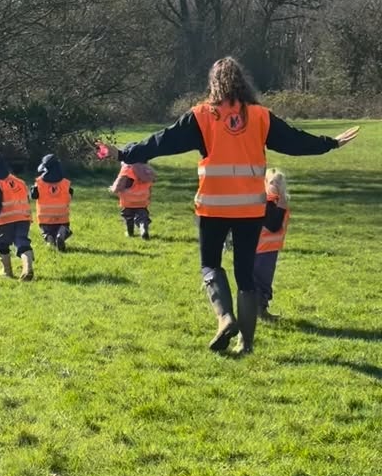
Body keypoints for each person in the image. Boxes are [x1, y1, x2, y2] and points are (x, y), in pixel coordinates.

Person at [99, 57, 359, 354]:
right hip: (251, 210)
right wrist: (330, 143)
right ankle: (245, 344)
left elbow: (162, 141)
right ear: (243, 82)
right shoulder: (260, 117)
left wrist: (123, 153)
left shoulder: (202, 115)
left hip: (213, 208)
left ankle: (224, 319)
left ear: (213, 83)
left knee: (211, 264)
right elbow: (295, 141)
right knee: (245, 276)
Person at [0, 152, 34, 280]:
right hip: (24, 218)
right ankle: (27, 268)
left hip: (6, 219)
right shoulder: (19, 181)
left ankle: (7, 271)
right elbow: (27, 199)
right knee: (22, 242)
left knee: (2, 244)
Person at [254, 168, 290, 323]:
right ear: (265, 183)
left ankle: (259, 309)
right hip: (262, 249)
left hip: (269, 249)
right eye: (272, 182)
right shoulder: (268, 202)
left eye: (279, 182)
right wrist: (282, 205)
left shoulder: (274, 200)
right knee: (261, 280)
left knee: (263, 280)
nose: (276, 185)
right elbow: (274, 225)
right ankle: (259, 310)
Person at [31, 154, 73, 251]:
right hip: (62, 216)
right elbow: (70, 196)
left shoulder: (39, 182)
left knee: (46, 230)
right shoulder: (65, 183)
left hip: (44, 218)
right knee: (64, 227)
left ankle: (48, 237)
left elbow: (33, 196)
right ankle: (61, 234)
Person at [110, 154, 156, 239]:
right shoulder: (147, 170)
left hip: (128, 201)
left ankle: (130, 232)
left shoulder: (127, 170)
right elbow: (151, 182)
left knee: (128, 217)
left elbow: (120, 184)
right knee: (142, 217)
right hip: (142, 200)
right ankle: (143, 229)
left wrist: (113, 189)